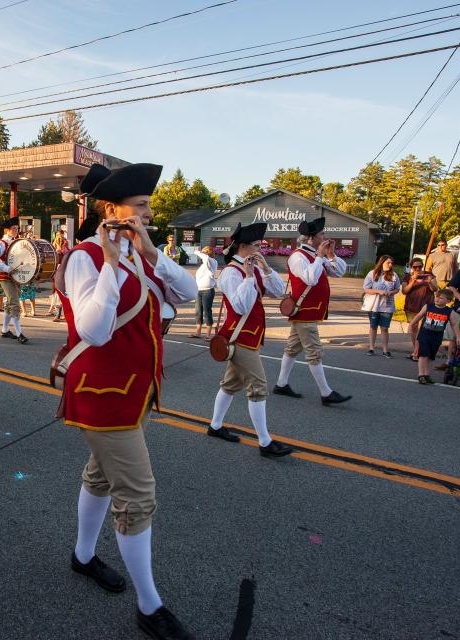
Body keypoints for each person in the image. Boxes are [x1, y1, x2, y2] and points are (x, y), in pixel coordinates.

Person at [59, 162, 197, 640]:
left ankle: (82, 557)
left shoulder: (141, 252)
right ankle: (149, 604)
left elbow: (188, 294)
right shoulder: (85, 257)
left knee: (100, 476)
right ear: (111, 209)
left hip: (133, 390)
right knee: (137, 496)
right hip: (101, 394)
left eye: (147, 208)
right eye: (140, 207)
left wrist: (151, 253)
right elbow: (94, 330)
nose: (146, 214)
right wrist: (113, 266)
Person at [207, 222, 293, 458]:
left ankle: (215, 426)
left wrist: (265, 268)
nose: (260, 250)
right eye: (257, 246)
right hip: (239, 337)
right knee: (258, 387)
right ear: (243, 246)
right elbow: (241, 305)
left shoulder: (253, 268)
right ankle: (265, 442)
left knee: (231, 383)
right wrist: (247, 276)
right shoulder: (231, 273)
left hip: (250, 336)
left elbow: (277, 291)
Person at [273, 216, 352, 405]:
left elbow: (339, 272)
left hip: (309, 310)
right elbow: (310, 278)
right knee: (314, 351)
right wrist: (319, 257)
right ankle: (326, 393)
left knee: (293, 348)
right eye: (322, 234)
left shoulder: (317, 256)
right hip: (305, 311)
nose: (325, 237)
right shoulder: (298, 256)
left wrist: (330, 255)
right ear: (311, 238)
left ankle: (281, 384)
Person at [408, 288, 460, 385]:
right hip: (424, 335)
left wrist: (458, 337)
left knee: (431, 357)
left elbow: (454, 324)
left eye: (441, 298)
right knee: (423, 355)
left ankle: (427, 375)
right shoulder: (428, 307)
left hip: (436, 337)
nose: (437, 299)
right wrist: (411, 325)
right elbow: (419, 316)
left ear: (448, 301)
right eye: (437, 297)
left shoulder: (449, 312)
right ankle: (421, 375)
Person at [0, 218, 29, 344]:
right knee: (15, 304)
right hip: (6, 277)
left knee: (9, 304)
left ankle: (5, 330)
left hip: (16, 277)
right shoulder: (1, 244)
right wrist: (7, 268)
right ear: (7, 230)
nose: (16, 231)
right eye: (14, 228)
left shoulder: (17, 242)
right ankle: (19, 333)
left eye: (17, 228)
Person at [362, 255, 400, 357]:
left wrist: (391, 292)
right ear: (382, 263)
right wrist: (378, 291)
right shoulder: (372, 273)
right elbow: (366, 288)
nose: (390, 265)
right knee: (373, 326)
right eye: (388, 263)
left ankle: (385, 350)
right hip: (374, 305)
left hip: (387, 306)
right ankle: (371, 348)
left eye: (391, 263)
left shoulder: (394, 275)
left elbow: (397, 289)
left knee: (384, 328)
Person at [400, 258, 438, 361]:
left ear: (422, 266)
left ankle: (417, 353)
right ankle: (415, 351)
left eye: (419, 266)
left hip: (426, 306)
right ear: (411, 268)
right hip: (412, 306)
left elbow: (435, 289)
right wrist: (412, 281)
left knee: (422, 330)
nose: (417, 269)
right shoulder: (407, 277)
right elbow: (404, 291)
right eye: (415, 267)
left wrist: (430, 282)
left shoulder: (429, 275)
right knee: (413, 329)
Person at [190, 245, 217, 340]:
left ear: (208, 253)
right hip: (199, 290)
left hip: (208, 291)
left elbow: (206, 258)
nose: (203, 254)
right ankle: (198, 333)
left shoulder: (212, 262)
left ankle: (208, 335)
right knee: (198, 312)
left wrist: (198, 252)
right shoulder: (203, 265)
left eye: (205, 252)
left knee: (207, 312)